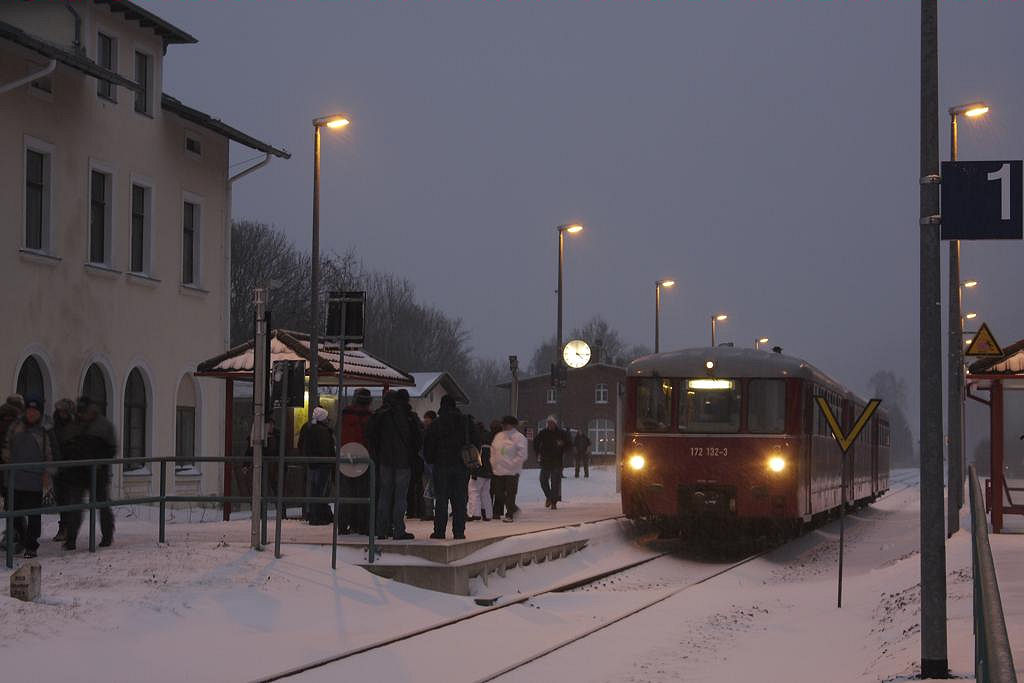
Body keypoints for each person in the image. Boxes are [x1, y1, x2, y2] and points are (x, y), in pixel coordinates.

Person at [1, 396, 54, 558]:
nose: (31, 414)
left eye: (34, 411)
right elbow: (7, 446)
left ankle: (31, 546)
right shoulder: (16, 426)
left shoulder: (44, 430)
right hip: (14, 478)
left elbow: (49, 453)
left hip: (34, 479)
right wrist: (7, 460)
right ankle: (23, 538)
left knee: (33, 515)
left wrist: (47, 473)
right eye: (29, 410)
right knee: (13, 513)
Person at [366, 391, 421, 540]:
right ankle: (399, 530)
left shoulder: (380, 416)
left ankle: (381, 530)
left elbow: (370, 436)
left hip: (384, 461)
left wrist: (377, 454)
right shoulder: (409, 416)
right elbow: (418, 438)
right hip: (404, 461)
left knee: (384, 494)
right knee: (400, 496)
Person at [423, 395, 477, 540]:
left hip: (441, 466)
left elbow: (428, 446)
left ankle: (439, 531)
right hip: (461, 465)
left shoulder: (436, 424)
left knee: (441, 500)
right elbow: (476, 441)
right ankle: (459, 532)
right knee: (460, 499)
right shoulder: (466, 422)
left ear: (442, 405)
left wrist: (431, 459)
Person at [74, 396, 117, 547]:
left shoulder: (103, 426)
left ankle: (107, 536)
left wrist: (99, 462)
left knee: (101, 505)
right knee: (76, 505)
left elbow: (112, 449)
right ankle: (71, 539)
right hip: (80, 471)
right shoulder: (78, 424)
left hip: (98, 471)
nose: (81, 414)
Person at [339, 388, 374, 535]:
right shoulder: (370, 417)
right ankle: (361, 525)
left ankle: (342, 525)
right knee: (363, 493)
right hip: (363, 456)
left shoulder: (345, 415)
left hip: (346, 454)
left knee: (346, 493)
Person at [299, 406, 335, 526]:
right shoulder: (324, 431)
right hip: (322, 464)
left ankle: (313, 514)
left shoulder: (308, 428)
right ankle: (318, 516)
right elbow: (326, 449)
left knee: (314, 489)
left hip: (312, 464)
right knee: (321, 490)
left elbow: (302, 445)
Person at [50, 399, 80, 544]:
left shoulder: (75, 427)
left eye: (64, 411)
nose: (62, 414)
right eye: (60, 411)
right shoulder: (54, 427)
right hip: (58, 467)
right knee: (61, 500)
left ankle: (69, 529)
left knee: (70, 499)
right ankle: (63, 527)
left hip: (71, 468)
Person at [490, 416, 528, 522]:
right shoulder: (498, 436)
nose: (504, 426)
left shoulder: (519, 437)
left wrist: (513, 463)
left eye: (506, 424)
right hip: (499, 470)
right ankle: (512, 508)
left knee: (510, 492)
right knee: (498, 492)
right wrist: (493, 463)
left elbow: (522, 454)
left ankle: (510, 514)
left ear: (512, 425)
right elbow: (493, 450)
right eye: (503, 424)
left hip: (512, 471)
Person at [533, 415, 570, 510]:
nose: (549, 425)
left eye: (551, 423)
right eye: (548, 423)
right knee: (543, 480)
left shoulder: (561, 433)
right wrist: (538, 452)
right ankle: (549, 496)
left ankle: (554, 502)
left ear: (555, 424)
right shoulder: (543, 433)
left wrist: (563, 446)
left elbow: (569, 443)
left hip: (557, 460)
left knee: (555, 482)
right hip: (545, 460)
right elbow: (536, 442)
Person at [467, 420, 494, 522]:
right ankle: (487, 514)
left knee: (474, 491)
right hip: (489, 471)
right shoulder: (490, 439)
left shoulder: (475, 441)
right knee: (485, 493)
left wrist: (473, 472)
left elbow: (475, 458)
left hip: (478, 471)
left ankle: (475, 514)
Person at [419, 410, 437, 521]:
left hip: (427, 464)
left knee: (427, 488)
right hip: (432, 464)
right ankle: (430, 511)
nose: (425, 422)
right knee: (431, 488)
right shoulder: (439, 431)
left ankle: (429, 511)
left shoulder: (423, 433)